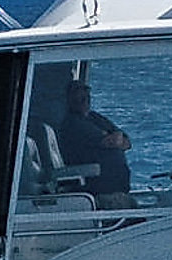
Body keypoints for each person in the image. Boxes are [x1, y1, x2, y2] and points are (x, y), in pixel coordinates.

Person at [52, 71, 136, 203]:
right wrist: (115, 137)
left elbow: (127, 142)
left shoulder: (94, 117)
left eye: (86, 94)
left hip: (116, 190)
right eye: (79, 95)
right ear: (69, 99)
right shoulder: (73, 124)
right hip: (97, 192)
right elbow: (110, 142)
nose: (84, 98)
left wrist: (117, 136)